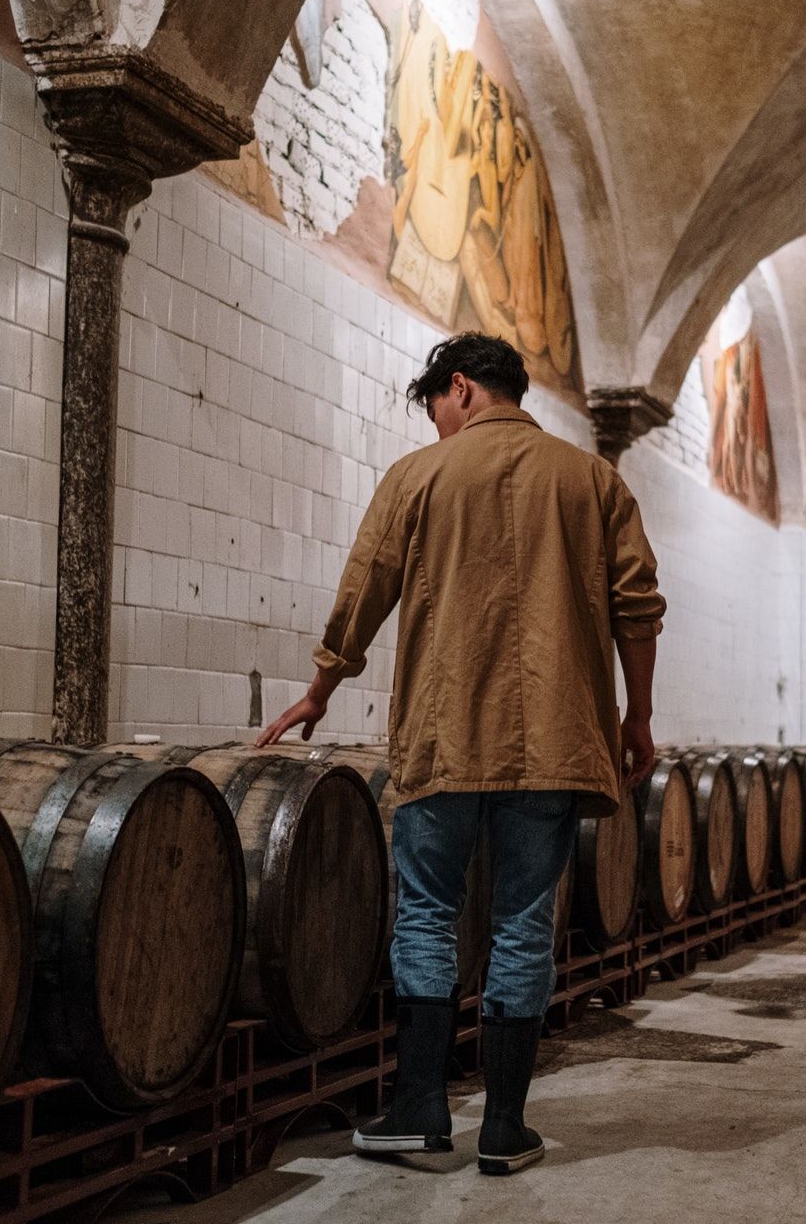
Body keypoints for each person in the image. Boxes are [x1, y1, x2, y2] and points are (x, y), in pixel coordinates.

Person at [256, 332, 665, 1175]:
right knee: (522, 920)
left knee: (430, 911)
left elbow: (365, 583)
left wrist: (323, 685)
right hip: (555, 741)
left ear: (461, 389)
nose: (439, 420)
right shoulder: (593, 480)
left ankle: (420, 1107)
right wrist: (637, 718)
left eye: (438, 404)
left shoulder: (419, 475)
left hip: (445, 738)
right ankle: (506, 1127)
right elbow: (639, 605)